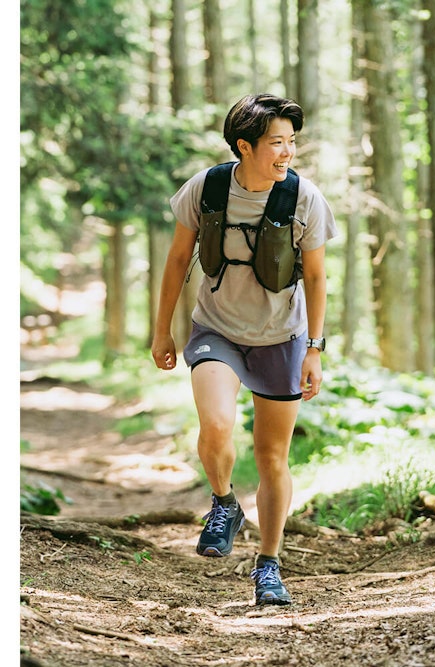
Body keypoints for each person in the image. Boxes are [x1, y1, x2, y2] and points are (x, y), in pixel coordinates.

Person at [151, 93, 338, 605]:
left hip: (282, 337)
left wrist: (314, 349)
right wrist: (162, 330)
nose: (287, 153)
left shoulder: (303, 199)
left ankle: (269, 565)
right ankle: (223, 502)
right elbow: (175, 259)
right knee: (215, 423)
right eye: (277, 143)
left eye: (291, 143)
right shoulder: (206, 189)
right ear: (245, 146)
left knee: (272, 456)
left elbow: (318, 276)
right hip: (216, 328)